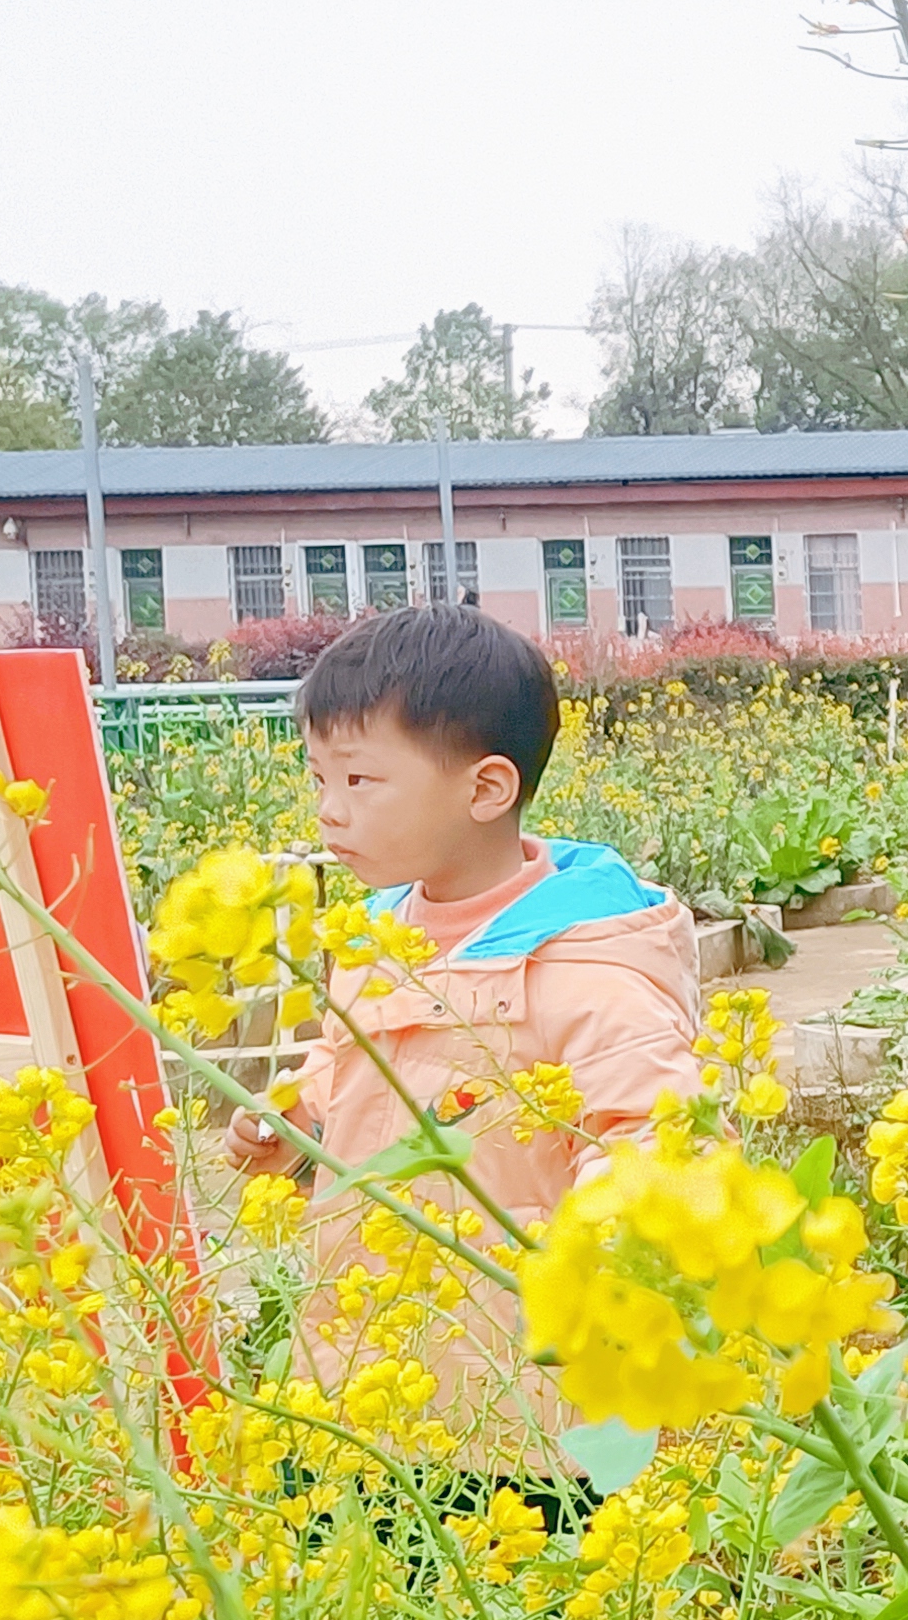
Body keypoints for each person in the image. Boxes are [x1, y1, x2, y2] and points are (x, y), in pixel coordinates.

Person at [230, 603, 702, 1481]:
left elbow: (660, 1145)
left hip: (519, 1424)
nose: (329, 813)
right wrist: (292, 1132)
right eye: (318, 779)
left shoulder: (587, 968)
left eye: (361, 783)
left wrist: (591, 1256)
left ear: (486, 789)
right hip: (356, 1386)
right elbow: (350, 1081)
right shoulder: (377, 942)